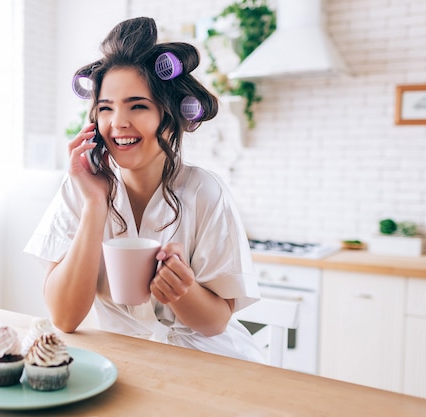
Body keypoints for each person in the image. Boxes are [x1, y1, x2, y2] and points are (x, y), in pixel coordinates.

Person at [25, 17, 264, 362]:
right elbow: (65, 318)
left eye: (137, 105)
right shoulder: (80, 186)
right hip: (124, 363)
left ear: (171, 117)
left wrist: (182, 292)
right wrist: (95, 205)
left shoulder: (204, 192)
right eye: (106, 108)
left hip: (207, 364)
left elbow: (215, 323)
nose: (118, 122)